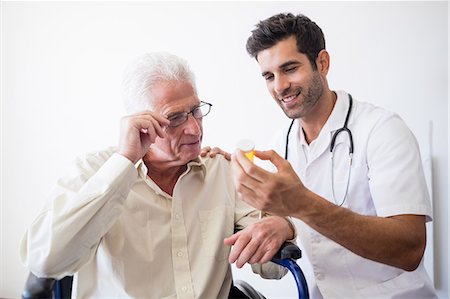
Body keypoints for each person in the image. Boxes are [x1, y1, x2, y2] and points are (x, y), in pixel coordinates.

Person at [20, 52, 295, 298]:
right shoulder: (91, 172)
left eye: (196, 111)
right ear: (141, 122)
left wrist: (284, 225)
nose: (195, 130)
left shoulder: (220, 171)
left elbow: (273, 269)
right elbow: (45, 261)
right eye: (175, 118)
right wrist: (125, 162)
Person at [229, 13, 436, 298]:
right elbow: (294, 231)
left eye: (289, 68)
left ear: (322, 63)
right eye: (269, 76)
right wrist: (284, 224)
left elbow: (409, 249)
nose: (279, 86)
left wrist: (302, 205)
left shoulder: (382, 130)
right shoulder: (281, 144)